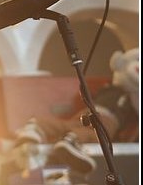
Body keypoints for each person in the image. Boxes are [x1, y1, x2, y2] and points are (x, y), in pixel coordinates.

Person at [13, 48, 139, 176]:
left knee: (67, 125)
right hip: (109, 119)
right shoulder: (130, 95)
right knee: (100, 136)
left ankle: (36, 127)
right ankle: (72, 141)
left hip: (88, 110)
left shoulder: (108, 88)